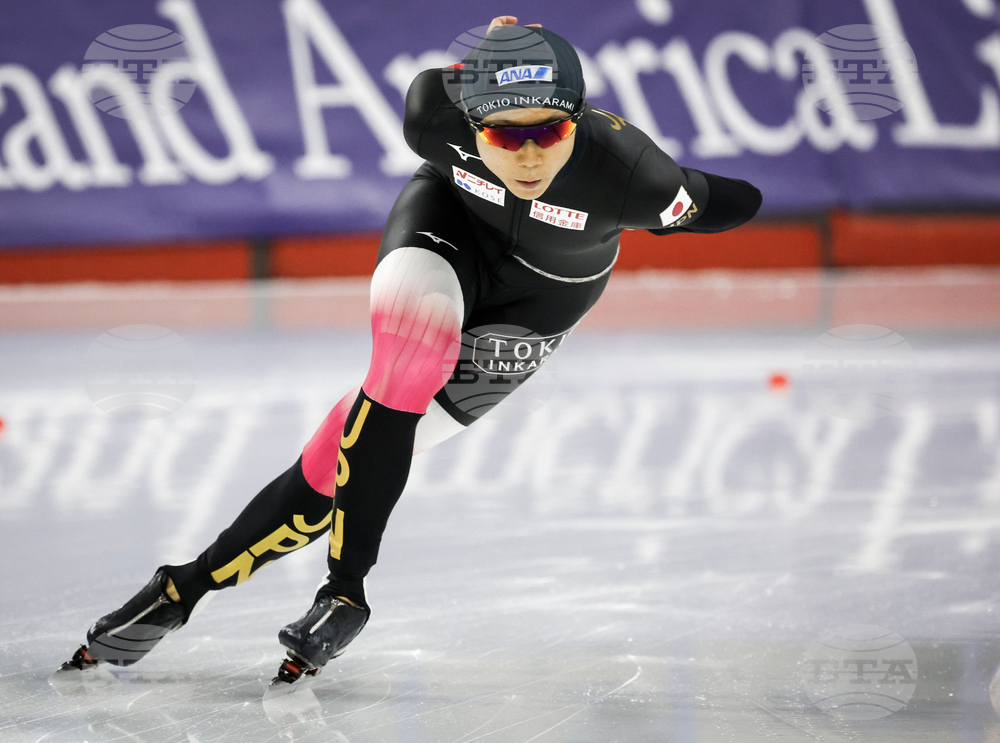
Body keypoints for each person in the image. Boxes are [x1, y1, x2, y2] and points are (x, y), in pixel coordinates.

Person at [58, 17, 762, 687]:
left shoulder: (635, 175)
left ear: (576, 119)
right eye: (502, 134)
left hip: (538, 306)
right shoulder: (432, 114)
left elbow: (731, 199)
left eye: (548, 131)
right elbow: (457, 87)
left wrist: (720, 198)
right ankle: (346, 593)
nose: (527, 155)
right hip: (446, 230)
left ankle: (182, 586)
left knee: (338, 457)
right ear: (469, 120)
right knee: (408, 358)